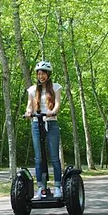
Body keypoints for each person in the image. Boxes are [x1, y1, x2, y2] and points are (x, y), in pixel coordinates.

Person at [24, 60, 62, 199]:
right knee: (39, 158)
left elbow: (57, 103)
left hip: (51, 123)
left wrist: (53, 111)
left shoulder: (56, 87)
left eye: (43, 73)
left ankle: (57, 187)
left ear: (48, 74)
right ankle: (41, 188)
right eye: (39, 74)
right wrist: (28, 112)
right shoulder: (32, 90)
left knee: (54, 157)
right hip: (36, 124)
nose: (41, 76)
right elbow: (29, 105)